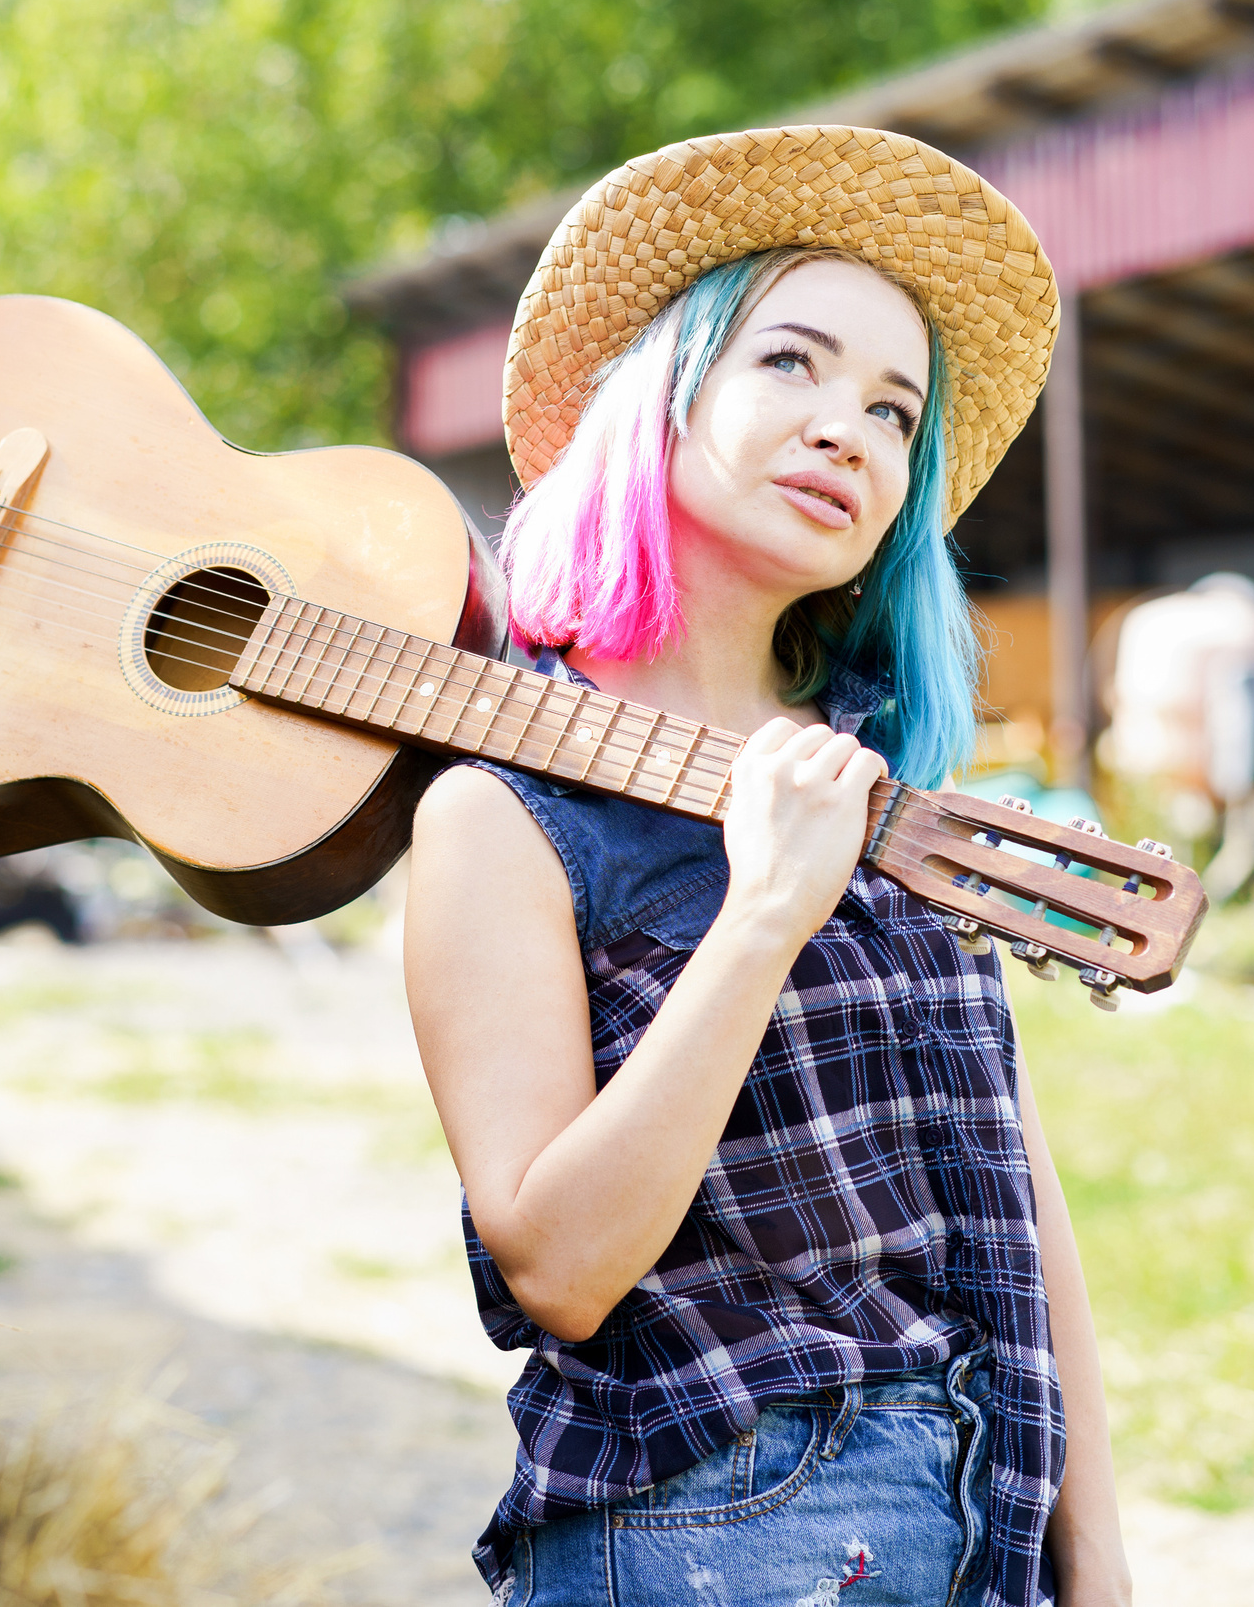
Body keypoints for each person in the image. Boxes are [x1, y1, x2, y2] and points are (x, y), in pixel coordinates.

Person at [404, 128, 1128, 1607]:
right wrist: (765, 916)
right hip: (714, 1529)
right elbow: (557, 1262)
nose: (849, 429)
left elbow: (1020, 1206)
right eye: (789, 364)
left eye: (891, 411)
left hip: (975, 1521)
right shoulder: (503, 811)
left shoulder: (890, 798)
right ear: (663, 397)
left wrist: (1095, 1569)